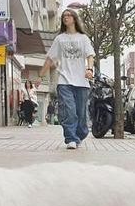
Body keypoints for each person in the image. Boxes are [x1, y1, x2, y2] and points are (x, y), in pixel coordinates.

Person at [38, 8, 95, 149]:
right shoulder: (60, 39)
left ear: (74, 18)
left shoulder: (83, 38)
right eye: (64, 16)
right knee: (69, 111)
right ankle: (70, 138)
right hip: (64, 81)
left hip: (82, 82)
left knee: (81, 115)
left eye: (69, 15)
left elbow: (90, 56)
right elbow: (50, 59)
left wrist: (89, 69)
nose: (66, 17)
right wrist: (40, 76)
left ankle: (79, 135)